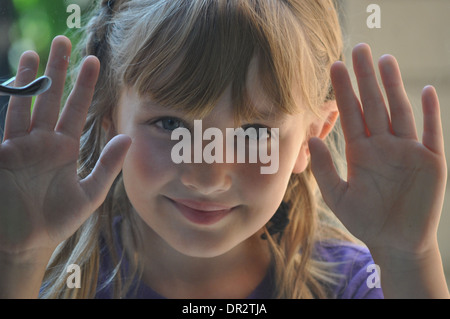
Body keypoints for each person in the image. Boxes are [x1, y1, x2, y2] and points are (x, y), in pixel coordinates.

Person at [0, 0, 448, 299]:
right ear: (108, 116)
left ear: (313, 136)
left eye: (253, 132)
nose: (207, 175)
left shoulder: (355, 285)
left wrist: (409, 258)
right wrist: (17, 259)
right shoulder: (47, 280)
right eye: (171, 124)